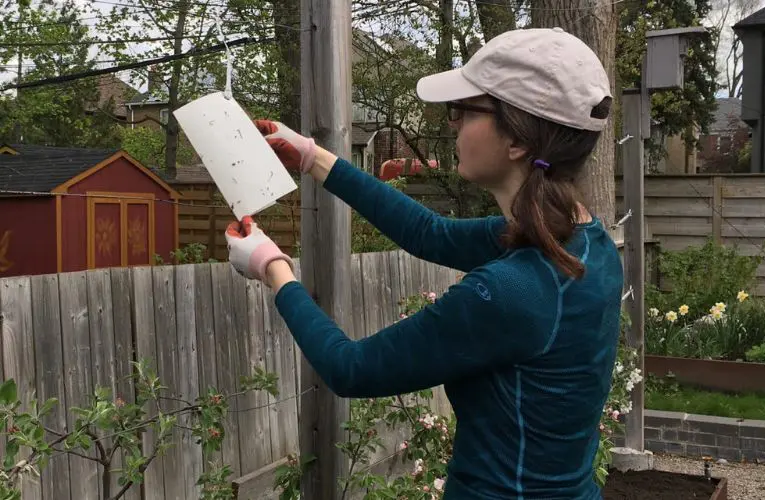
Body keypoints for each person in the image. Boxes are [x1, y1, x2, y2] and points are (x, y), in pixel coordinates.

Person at [225, 27, 623, 499]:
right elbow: (428, 234)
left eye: (464, 110)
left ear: (517, 140)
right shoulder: (586, 242)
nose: (452, 123)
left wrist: (273, 268)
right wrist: (313, 156)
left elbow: (350, 368)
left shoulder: (511, 291)